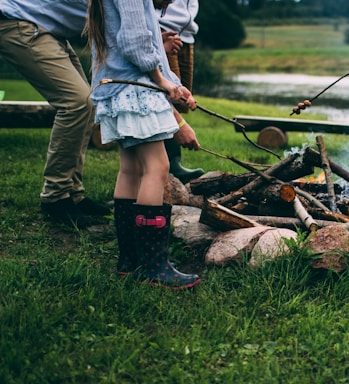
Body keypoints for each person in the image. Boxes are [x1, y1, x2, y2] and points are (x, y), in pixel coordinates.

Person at [86, 0, 202, 289]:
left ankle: (130, 260)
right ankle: (153, 266)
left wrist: (175, 84)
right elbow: (135, 42)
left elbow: (144, 41)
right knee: (157, 167)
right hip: (136, 89)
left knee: (131, 169)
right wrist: (162, 82)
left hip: (118, 88)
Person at [0, 0, 111, 228]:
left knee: (87, 103)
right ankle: (55, 196)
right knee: (77, 102)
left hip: (47, 26)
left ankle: (73, 192)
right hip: (21, 20)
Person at [157, 0, 205, 184]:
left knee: (181, 98)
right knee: (165, 96)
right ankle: (169, 162)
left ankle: (170, 161)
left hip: (186, 33)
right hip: (163, 29)